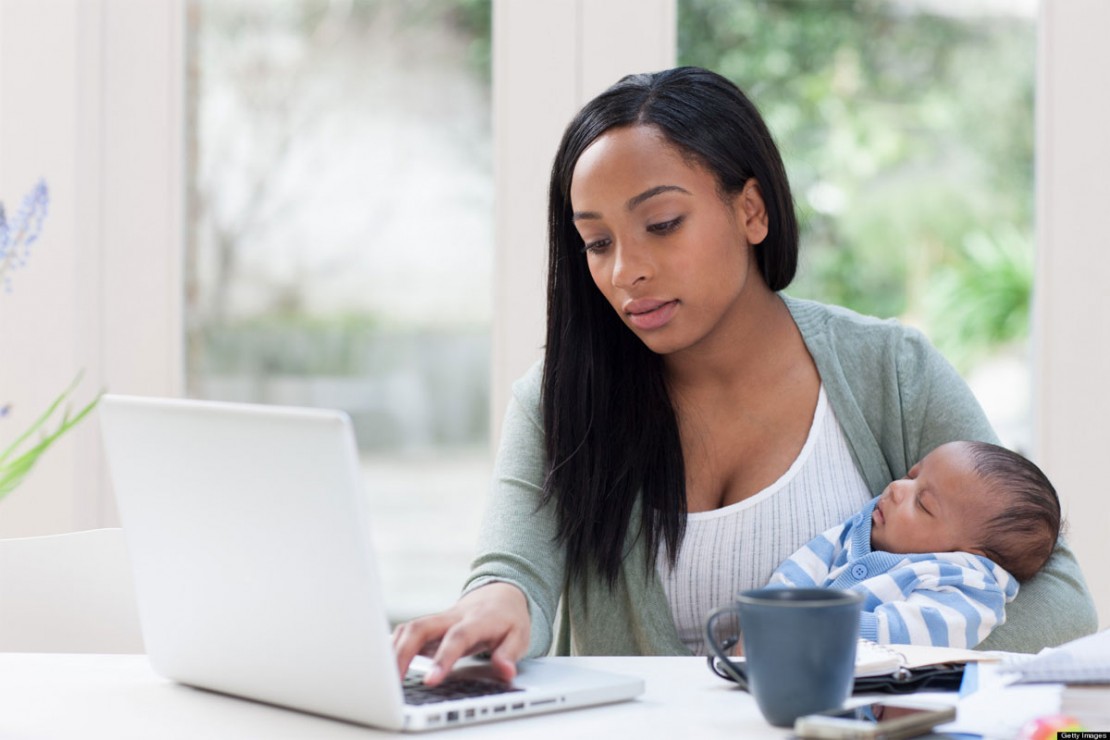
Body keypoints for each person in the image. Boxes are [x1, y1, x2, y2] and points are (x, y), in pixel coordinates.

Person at [393, 66, 1097, 685]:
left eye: (662, 224)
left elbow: (1061, 603)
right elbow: (513, 572)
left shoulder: (891, 371)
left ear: (751, 211)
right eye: (598, 242)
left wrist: (833, 655)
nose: (625, 271)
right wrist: (494, 605)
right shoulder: (558, 398)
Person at [767, 440, 1061, 649]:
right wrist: (768, 609)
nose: (897, 488)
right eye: (911, 476)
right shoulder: (862, 529)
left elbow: (901, 634)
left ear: (966, 555)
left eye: (922, 504)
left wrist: (811, 625)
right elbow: (806, 564)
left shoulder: (967, 589)